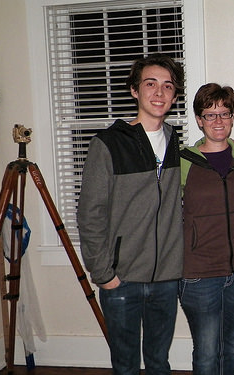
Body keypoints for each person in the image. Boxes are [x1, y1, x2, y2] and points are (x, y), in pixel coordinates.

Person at [77, 53, 184, 375]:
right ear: (134, 90)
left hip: (166, 278)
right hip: (121, 280)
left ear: (175, 95)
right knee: (124, 366)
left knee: (159, 363)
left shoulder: (175, 142)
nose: (159, 93)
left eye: (168, 86)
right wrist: (104, 274)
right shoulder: (107, 144)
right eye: (150, 84)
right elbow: (90, 214)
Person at [178, 83, 234, 375]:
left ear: (233, 117)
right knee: (207, 351)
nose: (218, 121)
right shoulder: (183, 161)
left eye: (224, 113)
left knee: (231, 347)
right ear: (199, 120)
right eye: (209, 115)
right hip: (199, 275)